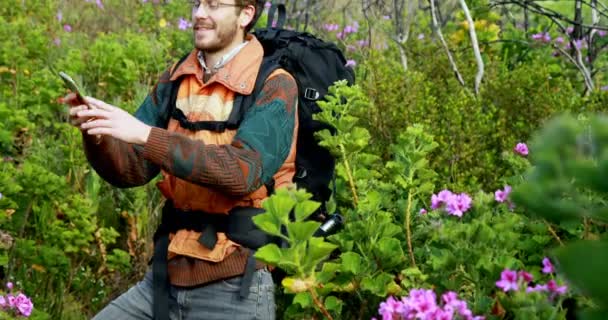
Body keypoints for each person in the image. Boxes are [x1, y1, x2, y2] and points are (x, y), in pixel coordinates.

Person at [62, 0, 299, 319]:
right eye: (197, 3)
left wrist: (145, 135)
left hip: (235, 286)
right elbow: (131, 170)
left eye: (214, 5)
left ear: (246, 14)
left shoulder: (275, 84)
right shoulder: (176, 79)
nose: (199, 13)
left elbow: (242, 172)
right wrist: (97, 132)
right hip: (162, 280)